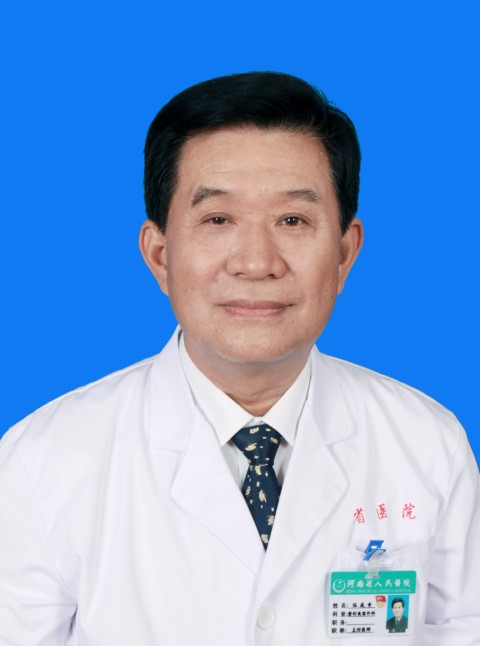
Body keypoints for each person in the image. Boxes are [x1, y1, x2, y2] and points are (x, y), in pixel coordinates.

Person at [0, 72, 479, 645]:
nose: (256, 263)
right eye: (218, 219)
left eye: (292, 220)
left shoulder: (427, 444)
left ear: (345, 252)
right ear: (160, 254)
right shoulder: (43, 462)